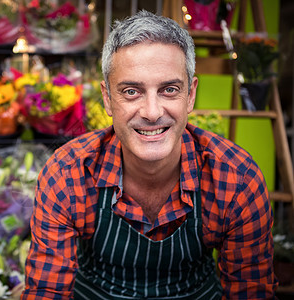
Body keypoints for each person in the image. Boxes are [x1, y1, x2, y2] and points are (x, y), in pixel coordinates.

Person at [21, 9, 278, 299]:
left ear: (190, 95)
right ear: (107, 99)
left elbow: (251, 292)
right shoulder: (68, 174)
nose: (152, 112)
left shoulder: (236, 179)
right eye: (132, 91)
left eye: (169, 89)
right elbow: (46, 291)